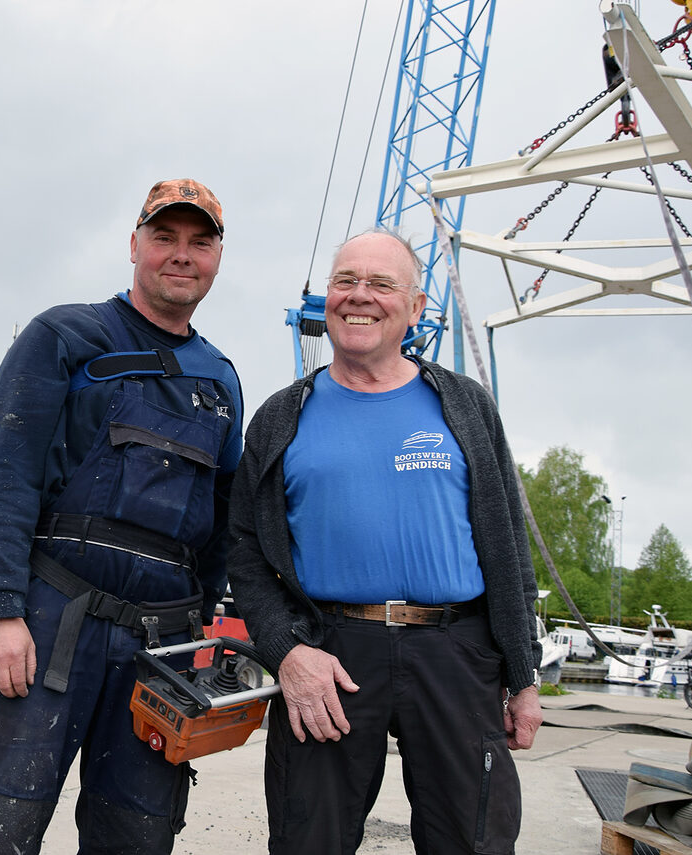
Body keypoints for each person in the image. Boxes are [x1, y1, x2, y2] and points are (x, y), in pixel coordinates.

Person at [0, 179, 243, 854]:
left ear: (218, 258)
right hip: (48, 624)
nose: (181, 255)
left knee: (137, 832)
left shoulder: (221, 380)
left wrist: (201, 638)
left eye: (200, 242)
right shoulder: (66, 336)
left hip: (161, 648)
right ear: (135, 245)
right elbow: (4, 474)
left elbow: (221, 524)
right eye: (165, 237)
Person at [226, 230, 543, 855]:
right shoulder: (282, 415)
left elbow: (508, 544)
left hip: (456, 653)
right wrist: (288, 653)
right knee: (305, 839)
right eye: (345, 281)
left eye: (380, 284)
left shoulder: (464, 407)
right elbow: (245, 550)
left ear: (417, 307)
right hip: (329, 656)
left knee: (472, 841)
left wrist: (524, 672)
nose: (358, 297)